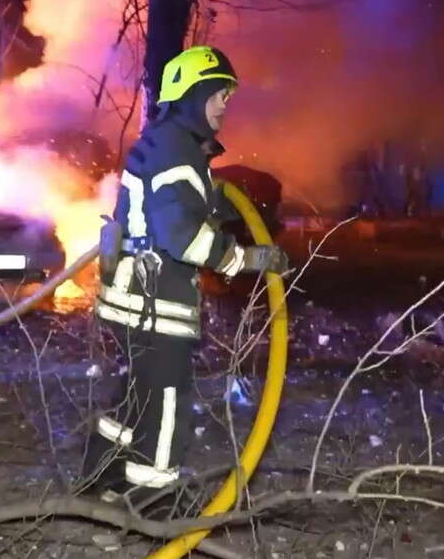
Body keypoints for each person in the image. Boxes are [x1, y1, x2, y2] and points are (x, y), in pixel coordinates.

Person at [81, 46, 288, 502]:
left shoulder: (167, 144)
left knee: (136, 396)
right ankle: (155, 504)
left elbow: (175, 208)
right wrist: (245, 260)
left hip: (131, 299)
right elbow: (180, 235)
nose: (224, 108)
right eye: (219, 96)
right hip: (155, 302)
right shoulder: (176, 151)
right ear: (194, 95)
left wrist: (218, 197)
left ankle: (101, 482)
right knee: (167, 403)